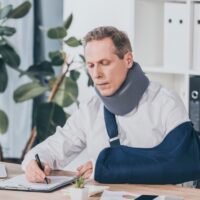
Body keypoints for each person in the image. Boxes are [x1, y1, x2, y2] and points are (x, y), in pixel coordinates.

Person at [22, 26, 198, 184]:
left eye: (104, 63)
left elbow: (183, 161)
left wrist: (108, 167)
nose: (96, 74)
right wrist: (35, 162)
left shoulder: (166, 102)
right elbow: (54, 147)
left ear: (128, 60)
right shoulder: (90, 109)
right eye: (90, 65)